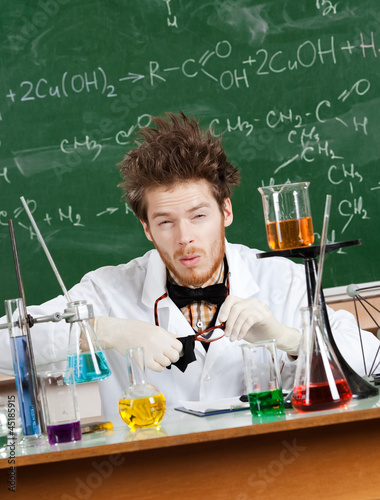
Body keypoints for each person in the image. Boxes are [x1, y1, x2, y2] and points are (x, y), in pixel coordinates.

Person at [0, 112, 378, 412]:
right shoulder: (107, 290)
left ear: (225, 211)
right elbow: (5, 341)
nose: (185, 238)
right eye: (165, 222)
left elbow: (371, 358)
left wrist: (290, 340)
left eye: (199, 216)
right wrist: (101, 331)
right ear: (146, 228)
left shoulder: (281, 278)